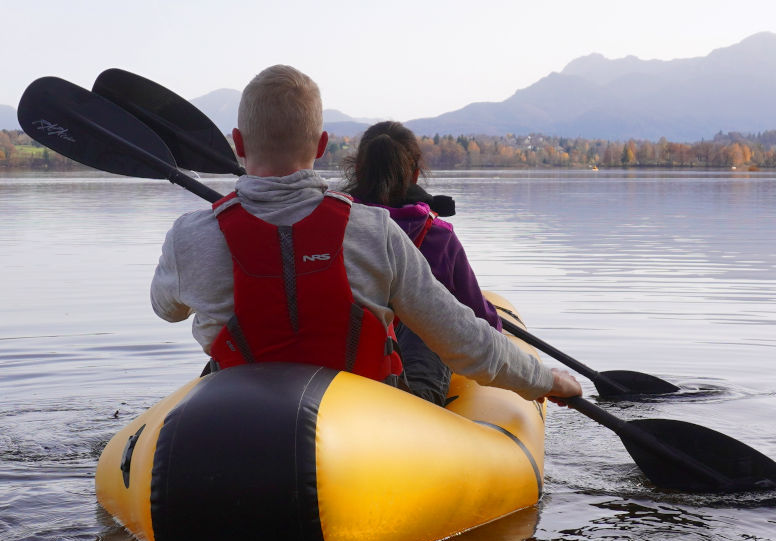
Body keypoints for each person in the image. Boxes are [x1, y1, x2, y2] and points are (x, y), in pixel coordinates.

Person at [150, 64, 580, 404]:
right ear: (321, 146)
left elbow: (166, 310)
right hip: (365, 437)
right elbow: (467, 342)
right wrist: (546, 381)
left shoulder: (188, 236)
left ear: (238, 143)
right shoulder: (376, 232)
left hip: (237, 422)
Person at [341, 121, 500, 405]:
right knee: (430, 319)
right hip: (417, 387)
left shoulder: (332, 227)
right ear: (415, 173)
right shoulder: (439, 236)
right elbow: (483, 323)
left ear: (356, 170)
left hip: (346, 368)